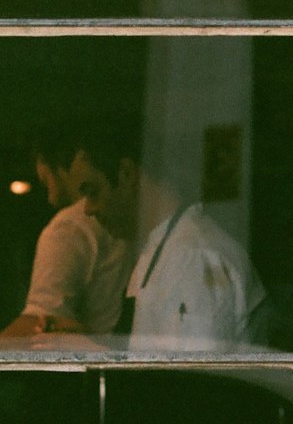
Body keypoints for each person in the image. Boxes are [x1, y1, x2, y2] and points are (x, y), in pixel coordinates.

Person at [68, 127, 267, 350]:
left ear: (126, 173)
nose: (87, 210)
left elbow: (190, 380)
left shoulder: (191, 257)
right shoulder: (167, 248)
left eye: (92, 192)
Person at [0, 135, 131, 345]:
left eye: (45, 181)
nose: (50, 198)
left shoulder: (69, 226)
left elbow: (38, 322)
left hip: (85, 371)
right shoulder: (129, 219)